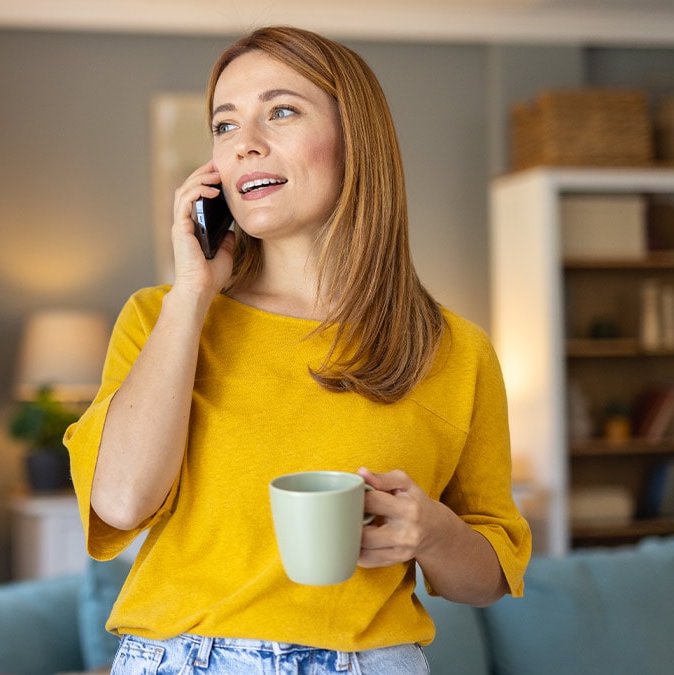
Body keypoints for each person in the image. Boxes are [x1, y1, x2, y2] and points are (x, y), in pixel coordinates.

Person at [64, 25, 531, 675]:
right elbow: (119, 501)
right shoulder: (161, 319)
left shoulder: (454, 351)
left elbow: (485, 579)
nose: (245, 143)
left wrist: (431, 531)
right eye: (225, 126)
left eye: (281, 111)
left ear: (355, 140)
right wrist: (194, 293)